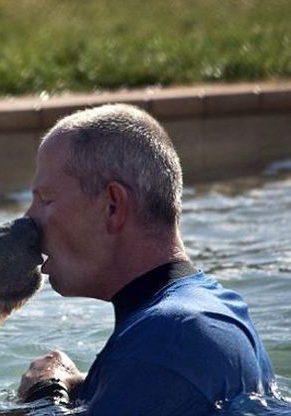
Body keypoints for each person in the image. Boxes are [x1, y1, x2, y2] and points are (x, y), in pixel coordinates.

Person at [19, 104, 275, 415]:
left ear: (112, 206)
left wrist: (45, 393)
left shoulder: (171, 339)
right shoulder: (199, 313)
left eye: (45, 200)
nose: (28, 221)